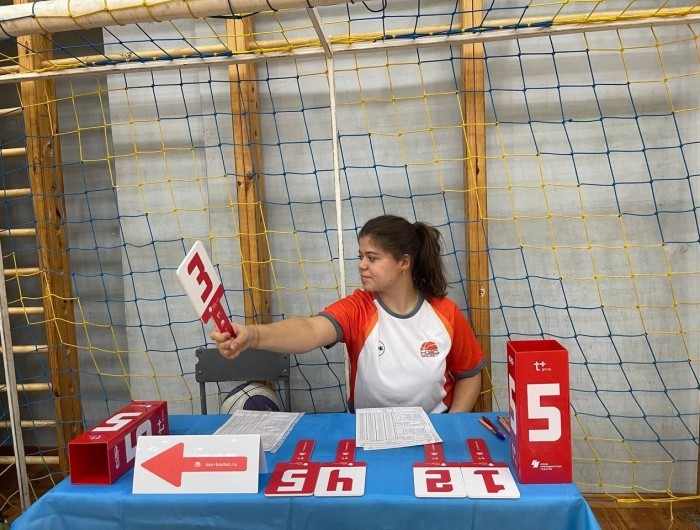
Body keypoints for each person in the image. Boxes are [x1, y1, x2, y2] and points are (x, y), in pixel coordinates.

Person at [211, 214, 486, 413]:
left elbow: (470, 374)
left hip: (434, 430)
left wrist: (453, 423)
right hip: (368, 432)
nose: (361, 265)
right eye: (360, 256)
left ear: (404, 262)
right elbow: (310, 330)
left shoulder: (445, 313)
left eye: (372, 258)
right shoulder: (358, 308)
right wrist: (254, 335)